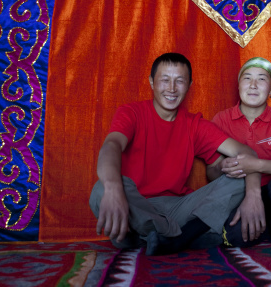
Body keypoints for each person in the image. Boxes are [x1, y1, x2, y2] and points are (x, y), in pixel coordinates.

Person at [89, 52, 258, 255]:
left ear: (189, 85)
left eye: (179, 81)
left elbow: (245, 152)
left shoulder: (194, 125)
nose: (171, 89)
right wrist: (113, 188)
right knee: (100, 190)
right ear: (152, 82)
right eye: (164, 80)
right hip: (136, 206)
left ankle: (163, 238)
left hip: (178, 208)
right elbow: (112, 145)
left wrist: (254, 195)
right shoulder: (131, 113)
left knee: (240, 178)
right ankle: (178, 237)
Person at [208, 57, 271, 247]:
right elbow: (211, 173)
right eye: (247, 78)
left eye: (262, 79)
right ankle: (264, 228)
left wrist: (256, 164)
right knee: (235, 238)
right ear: (238, 86)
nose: (253, 85)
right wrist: (222, 166)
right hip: (238, 195)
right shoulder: (221, 119)